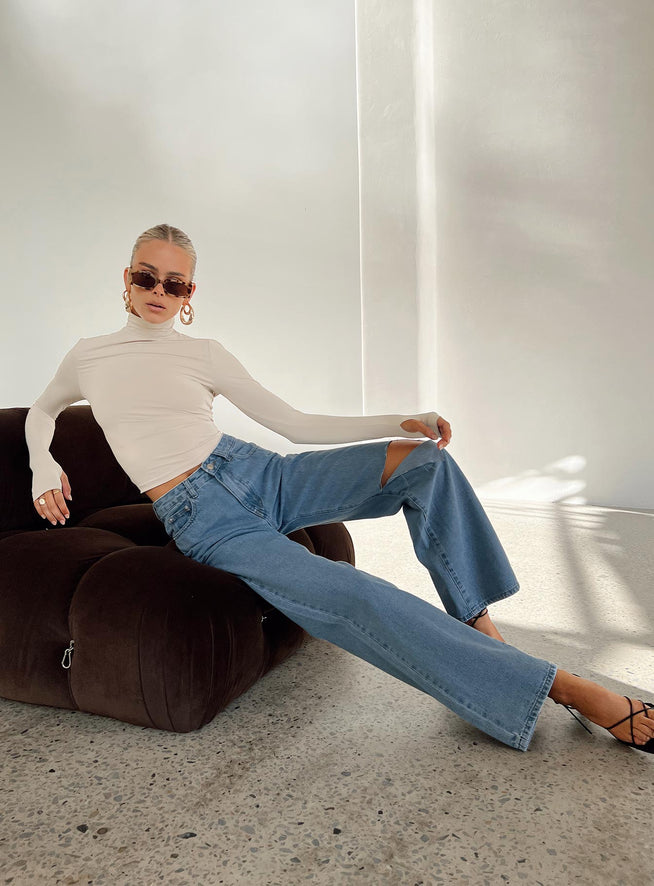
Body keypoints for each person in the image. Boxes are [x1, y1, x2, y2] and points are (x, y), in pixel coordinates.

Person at [25, 223, 653, 754]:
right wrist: (41, 464)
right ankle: (564, 688)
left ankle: (480, 631)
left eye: (176, 283)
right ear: (127, 277)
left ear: (191, 293)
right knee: (352, 593)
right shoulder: (89, 356)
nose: (159, 292)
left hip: (258, 472)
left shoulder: (204, 354)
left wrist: (400, 422)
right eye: (147, 277)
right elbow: (42, 411)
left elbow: (296, 425)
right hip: (204, 517)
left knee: (424, 464)